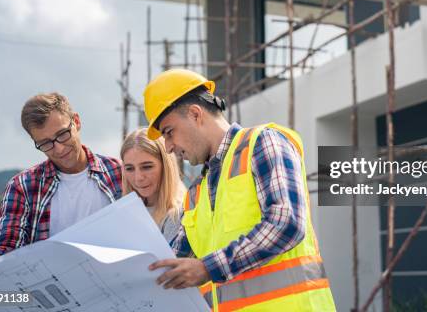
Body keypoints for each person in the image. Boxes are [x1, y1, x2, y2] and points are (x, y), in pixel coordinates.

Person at [143, 69, 336, 311]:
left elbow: (287, 222)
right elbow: (171, 262)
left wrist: (207, 268)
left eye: (169, 132)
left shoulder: (263, 143)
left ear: (195, 114)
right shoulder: (196, 194)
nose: (169, 147)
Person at [0, 93, 122, 261]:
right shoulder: (22, 186)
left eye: (63, 134)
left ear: (76, 122)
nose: (59, 149)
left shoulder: (120, 173)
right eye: (45, 143)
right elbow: (6, 246)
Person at [120, 128, 186, 243]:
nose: (138, 178)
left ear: (166, 166)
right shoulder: (122, 212)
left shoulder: (181, 213)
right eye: (130, 169)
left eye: (147, 167)